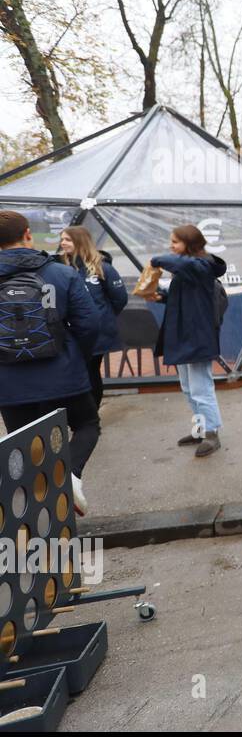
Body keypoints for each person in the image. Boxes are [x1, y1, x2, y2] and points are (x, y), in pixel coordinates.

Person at [0, 210, 102, 514]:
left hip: (9, 381)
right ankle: (70, 477)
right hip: (62, 374)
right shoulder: (61, 273)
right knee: (87, 424)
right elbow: (90, 325)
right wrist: (74, 357)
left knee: (29, 444)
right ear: (28, 234)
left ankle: (43, 521)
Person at [151, 224, 227, 458]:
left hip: (197, 337)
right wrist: (162, 296)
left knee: (200, 388)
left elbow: (185, 264)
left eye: (174, 242)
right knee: (188, 388)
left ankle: (212, 433)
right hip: (182, 335)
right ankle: (200, 429)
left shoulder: (201, 265)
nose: (170, 246)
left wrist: (157, 260)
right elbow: (183, 296)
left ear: (189, 243)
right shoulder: (187, 268)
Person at [59, 225, 127, 408]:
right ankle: (81, 413)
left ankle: (91, 414)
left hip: (97, 333)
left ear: (80, 241)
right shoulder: (61, 268)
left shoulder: (102, 267)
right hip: (70, 332)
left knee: (91, 371)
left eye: (67, 239)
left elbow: (119, 299)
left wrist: (101, 317)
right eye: (62, 239)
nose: (62, 243)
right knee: (76, 371)